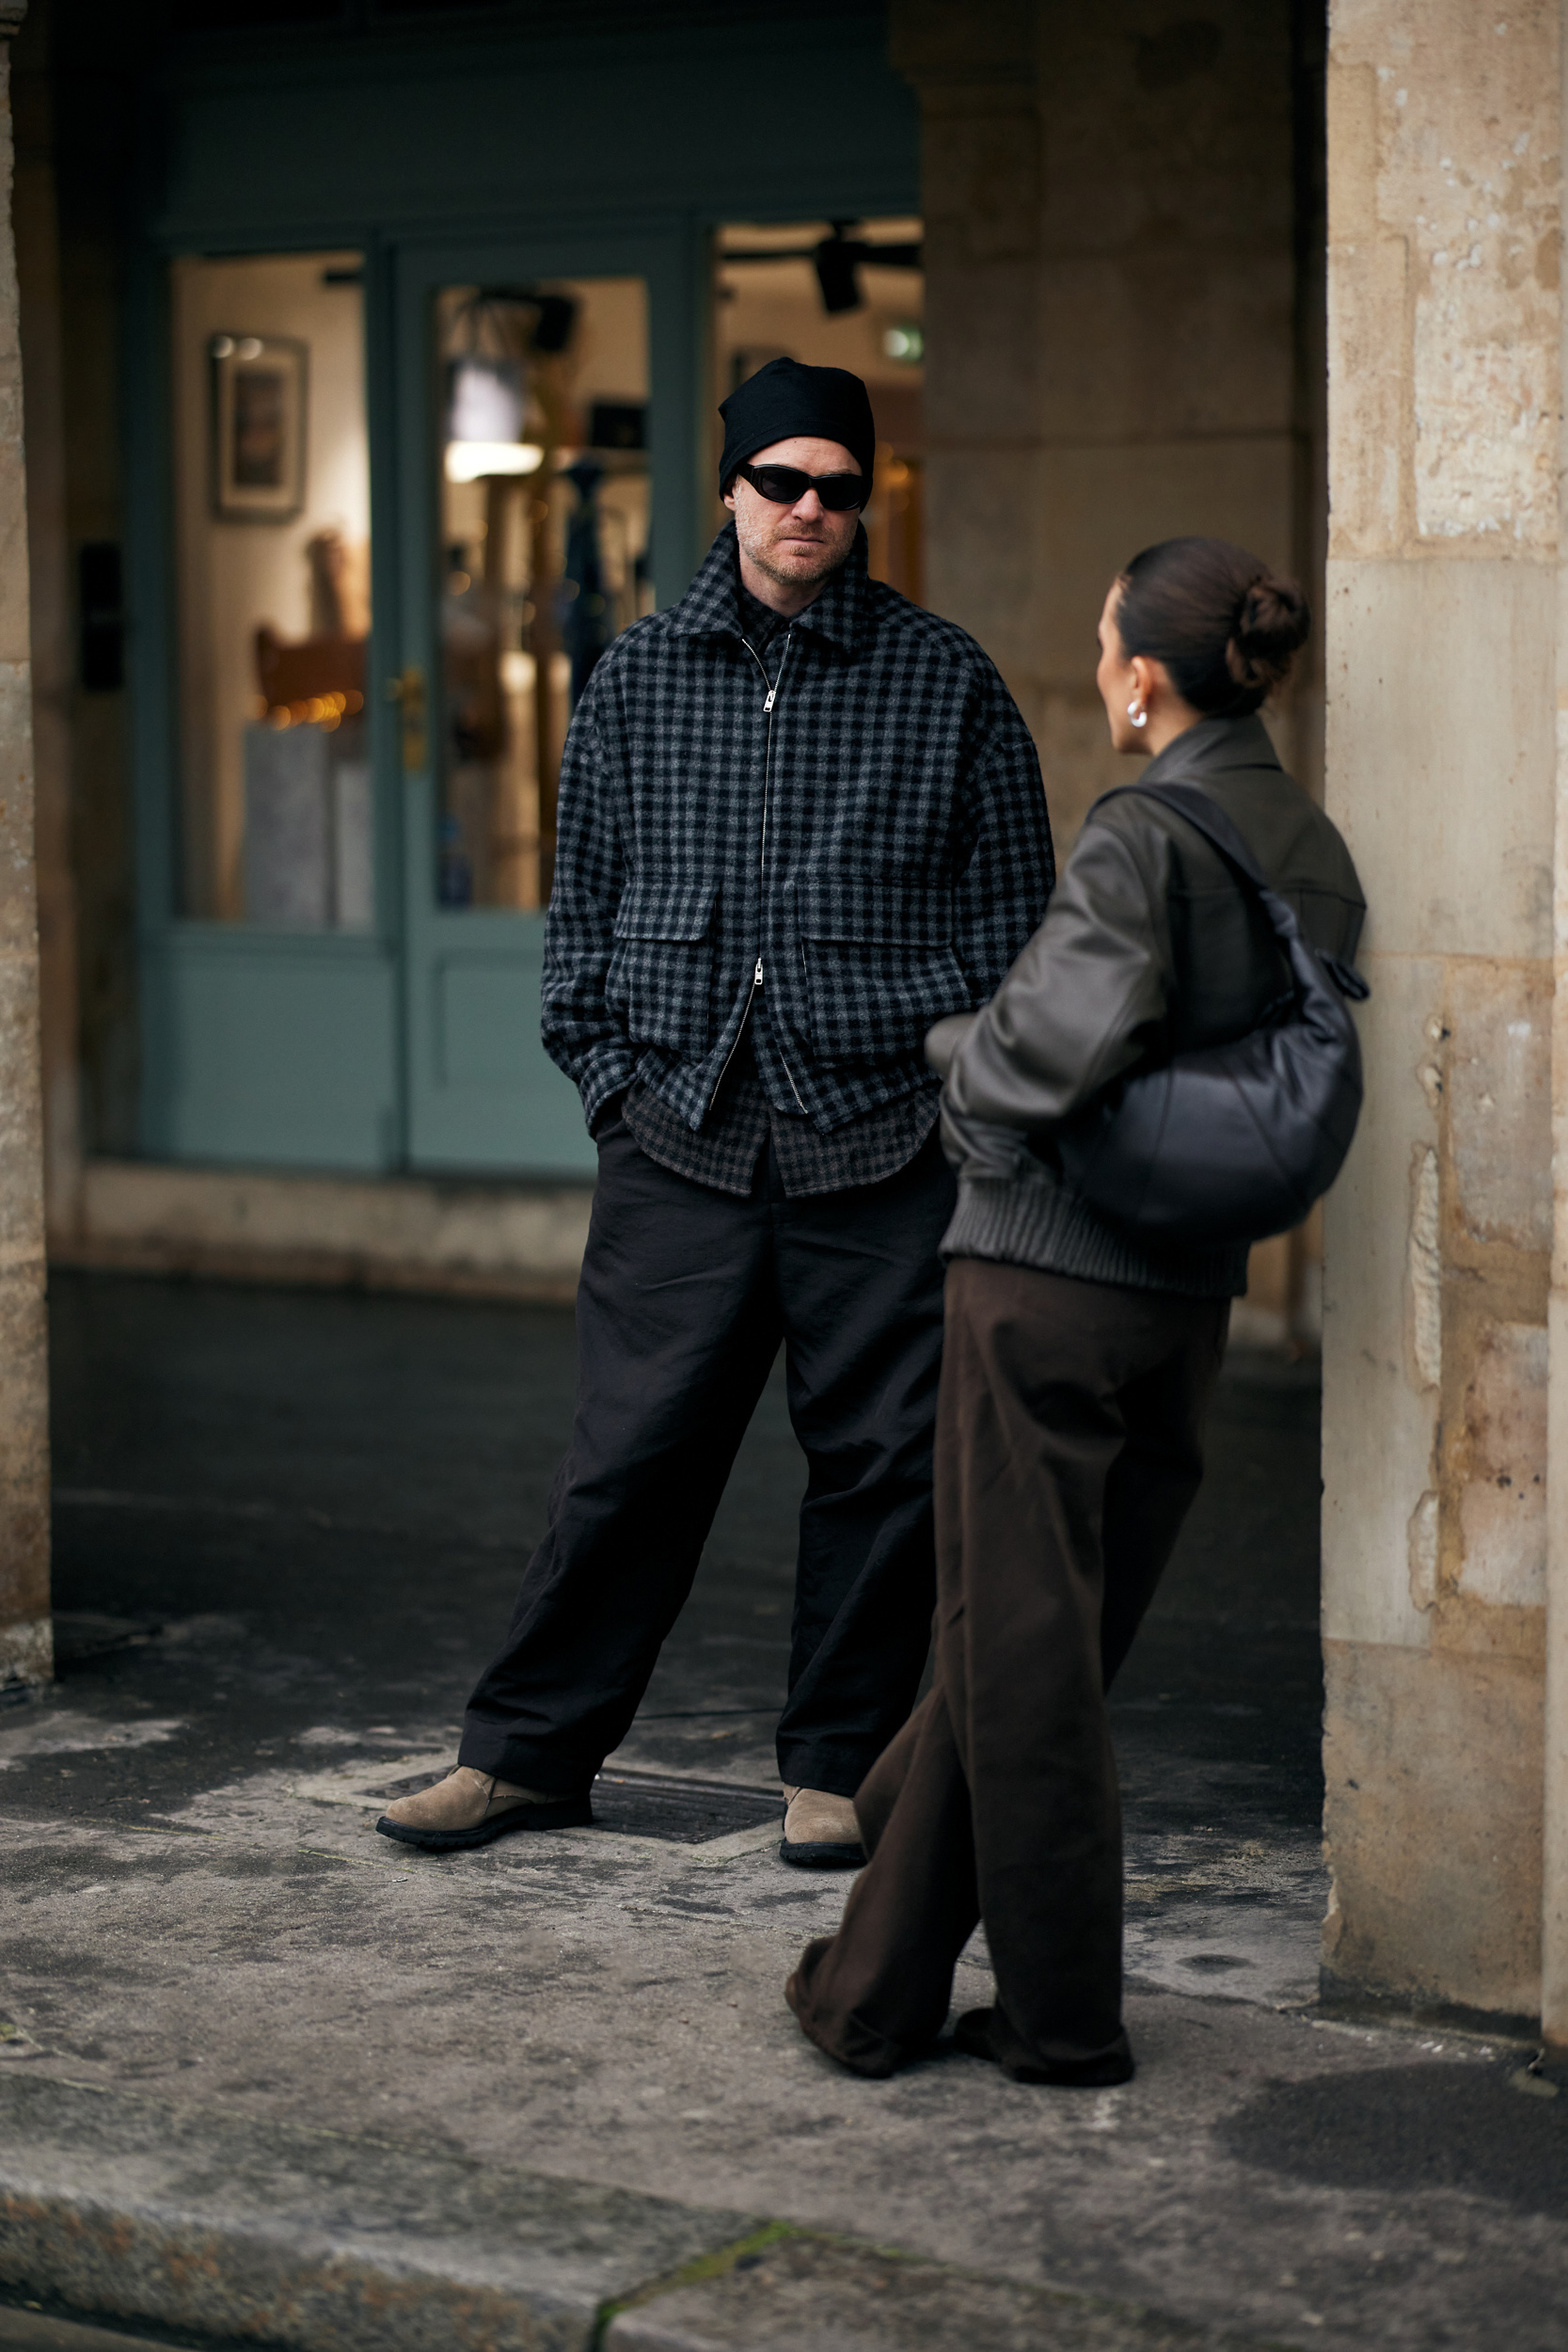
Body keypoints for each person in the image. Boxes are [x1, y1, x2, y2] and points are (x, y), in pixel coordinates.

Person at [379, 358, 1054, 1864]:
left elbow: (1020, 944)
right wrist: (613, 1086)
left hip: (880, 1147)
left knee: (879, 1469)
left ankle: (831, 1768)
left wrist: (897, 1049)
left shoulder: (943, 682)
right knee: (627, 1459)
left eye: (837, 488)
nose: (810, 511)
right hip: (677, 1137)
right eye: (781, 483)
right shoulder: (632, 680)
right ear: (730, 490)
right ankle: (527, 1753)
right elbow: (580, 924)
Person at [784, 535, 1366, 2075]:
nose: (1104, 670)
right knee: (1027, 1648)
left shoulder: (1140, 831)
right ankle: (873, 1986)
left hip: (1042, 1283)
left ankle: (1057, 2019)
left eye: (1111, 644)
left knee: (1016, 1660)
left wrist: (946, 1055)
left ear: (1148, 675)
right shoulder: (1306, 843)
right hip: (1182, 1301)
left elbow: (1043, 1052)